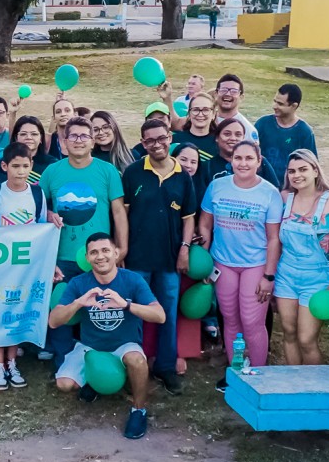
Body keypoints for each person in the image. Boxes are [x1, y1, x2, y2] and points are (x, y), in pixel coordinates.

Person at [50, 233, 165, 439]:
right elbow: (54, 321)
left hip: (124, 345)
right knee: (64, 384)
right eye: (94, 252)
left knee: (137, 361)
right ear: (87, 257)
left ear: (116, 253)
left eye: (105, 250)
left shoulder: (132, 279)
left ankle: (138, 410)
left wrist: (127, 305)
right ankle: (93, 382)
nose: (100, 256)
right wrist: (78, 303)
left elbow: (160, 315)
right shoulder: (78, 283)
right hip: (90, 347)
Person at [40, 117, 128, 368]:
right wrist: (47, 213)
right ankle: (63, 360)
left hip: (100, 257)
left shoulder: (107, 171)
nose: (78, 141)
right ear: (64, 142)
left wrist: (122, 249)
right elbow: (37, 206)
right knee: (62, 306)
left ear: (92, 141)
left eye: (84, 136)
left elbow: (119, 212)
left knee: (101, 309)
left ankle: (102, 360)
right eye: (73, 136)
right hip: (62, 255)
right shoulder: (52, 172)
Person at [121, 117, 197, 393]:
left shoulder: (183, 176)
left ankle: (165, 367)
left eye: (162, 138)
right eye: (150, 140)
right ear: (143, 143)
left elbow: (189, 219)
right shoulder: (132, 173)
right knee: (134, 315)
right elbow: (123, 215)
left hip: (169, 258)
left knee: (167, 314)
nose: (157, 144)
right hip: (138, 258)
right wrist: (123, 250)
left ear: (170, 138)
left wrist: (185, 249)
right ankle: (134, 367)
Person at [198, 140, 282, 387]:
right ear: (230, 160)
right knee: (229, 317)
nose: (243, 163)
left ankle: (258, 376)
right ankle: (235, 372)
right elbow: (204, 224)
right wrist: (204, 260)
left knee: (251, 321)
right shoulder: (217, 187)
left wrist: (268, 276)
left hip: (255, 264)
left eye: (249, 158)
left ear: (259, 161)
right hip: (223, 263)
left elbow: (274, 238)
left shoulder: (270, 193)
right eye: (238, 158)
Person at [0, 143, 49, 390]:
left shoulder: (37, 195)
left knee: (16, 312)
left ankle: (12, 362)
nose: (21, 171)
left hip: (25, 269)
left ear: (31, 166)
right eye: (15, 166)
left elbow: (43, 229)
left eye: (25, 166)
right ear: (4, 167)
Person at [273, 150, 329, 366]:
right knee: (288, 333)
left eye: (303, 169)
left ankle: (315, 389)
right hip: (286, 276)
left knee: (306, 339)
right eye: (291, 171)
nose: (296, 175)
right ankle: (295, 385)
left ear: (315, 170)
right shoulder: (284, 198)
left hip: (318, 278)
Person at [253, 84, 317, 176]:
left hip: (289, 187)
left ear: (294, 106)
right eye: (275, 101)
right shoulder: (263, 124)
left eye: (280, 104)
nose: (274, 106)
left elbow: (312, 165)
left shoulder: (304, 132)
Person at [204, 118, 280, 188]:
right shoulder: (208, 166)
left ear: (243, 137)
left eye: (238, 135)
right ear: (217, 137)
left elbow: (274, 189)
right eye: (227, 134)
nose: (233, 138)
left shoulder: (260, 161)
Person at [10, 116, 54, 185]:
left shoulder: (52, 165)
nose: (29, 137)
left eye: (34, 134)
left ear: (41, 138)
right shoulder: (5, 163)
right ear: (16, 138)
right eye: (23, 134)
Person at [214, 74, 257, 141]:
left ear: (241, 97)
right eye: (223, 90)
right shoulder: (205, 121)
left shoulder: (248, 129)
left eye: (234, 91)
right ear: (216, 94)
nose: (228, 94)